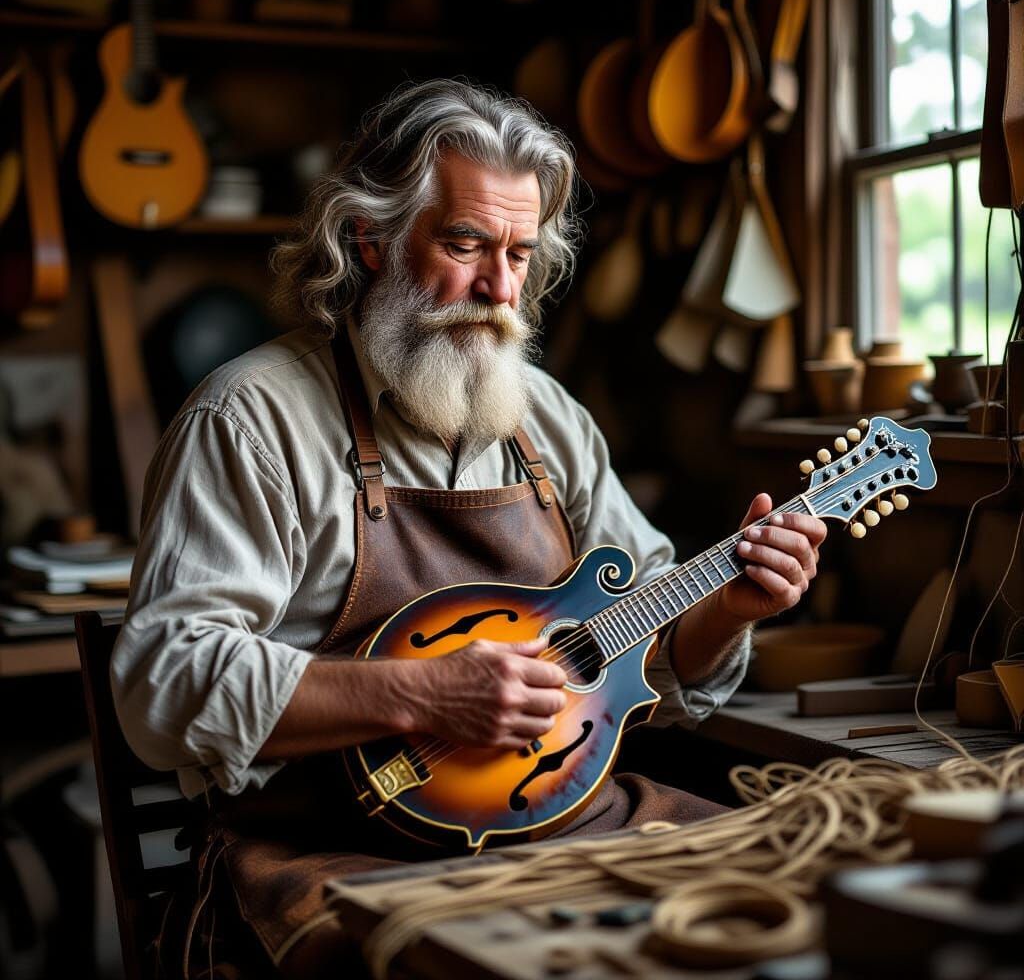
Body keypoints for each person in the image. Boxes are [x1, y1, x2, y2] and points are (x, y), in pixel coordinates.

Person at [111, 79, 826, 978]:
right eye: (465, 244)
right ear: (368, 240)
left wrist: (731, 610)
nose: (499, 288)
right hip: (339, 854)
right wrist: (421, 694)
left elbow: (643, 653)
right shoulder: (252, 421)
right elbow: (161, 683)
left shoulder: (549, 421)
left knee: (809, 903)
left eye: (521, 255)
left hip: (567, 824)